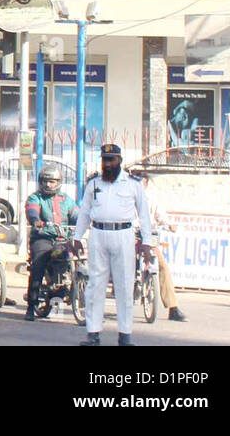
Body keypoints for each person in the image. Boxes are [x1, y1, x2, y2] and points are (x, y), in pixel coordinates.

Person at [73, 143, 155, 346]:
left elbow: (144, 215)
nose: (107, 164)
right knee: (95, 285)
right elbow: (84, 212)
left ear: (119, 160)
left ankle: (125, 335)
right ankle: (93, 334)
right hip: (98, 234)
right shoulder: (94, 183)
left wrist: (146, 242)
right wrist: (77, 236)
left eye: (111, 160)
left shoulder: (132, 183)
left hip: (123, 234)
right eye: (104, 160)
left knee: (125, 285)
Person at [23, 163, 78, 321]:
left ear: (58, 182)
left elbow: (76, 213)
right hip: (43, 237)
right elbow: (32, 210)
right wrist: (36, 220)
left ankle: (64, 287)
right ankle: (31, 306)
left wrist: (83, 220)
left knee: (74, 258)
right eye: (45, 181)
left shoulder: (65, 199)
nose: (48, 184)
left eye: (52, 181)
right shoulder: (36, 197)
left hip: (62, 239)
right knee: (38, 265)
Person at [135, 170, 186, 322]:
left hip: (149, 239)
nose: (140, 185)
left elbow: (160, 216)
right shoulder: (126, 199)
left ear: (146, 184)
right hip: (132, 238)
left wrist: (170, 224)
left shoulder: (151, 199)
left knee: (162, 266)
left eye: (142, 182)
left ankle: (173, 308)